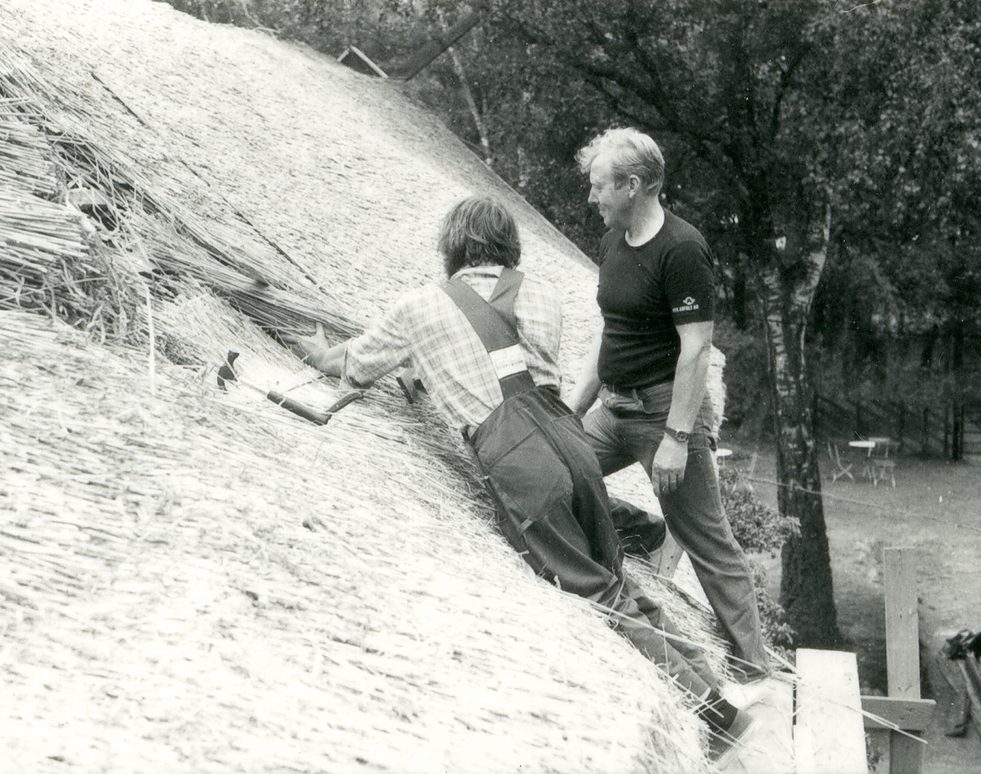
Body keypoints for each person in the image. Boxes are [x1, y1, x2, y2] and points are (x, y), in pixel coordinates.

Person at [286, 196, 751, 745]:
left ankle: (712, 717)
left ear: (452, 246)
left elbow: (353, 365)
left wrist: (320, 353)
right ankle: (716, 689)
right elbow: (510, 363)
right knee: (616, 576)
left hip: (520, 459)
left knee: (594, 594)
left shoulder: (418, 309)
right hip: (571, 441)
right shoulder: (542, 293)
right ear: (510, 244)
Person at [568, 127, 771, 682]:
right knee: (559, 472)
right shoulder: (612, 242)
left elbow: (697, 348)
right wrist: (571, 412)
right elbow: (610, 334)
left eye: (599, 187)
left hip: (664, 416)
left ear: (632, 186)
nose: (592, 198)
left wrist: (678, 438)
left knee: (708, 540)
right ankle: (643, 534)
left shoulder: (682, 249)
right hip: (612, 410)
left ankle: (755, 669)